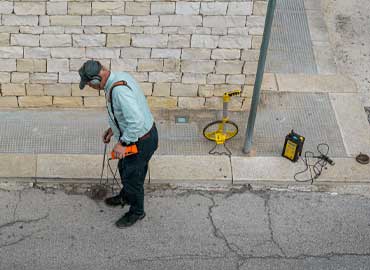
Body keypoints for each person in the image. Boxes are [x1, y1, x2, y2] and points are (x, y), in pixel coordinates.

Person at [78, 60, 158, 228]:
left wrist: (123, 143)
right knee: (125, 168)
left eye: (89, 84)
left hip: (141, 140)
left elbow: (135, 121)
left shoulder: (119, 91)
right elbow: (125, 114)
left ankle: (137, 212)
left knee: (132, 176)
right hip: (141, 136)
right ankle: (127, 196)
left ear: (96, 80)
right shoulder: (118, 78)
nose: (90, 88)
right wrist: (113, 129)